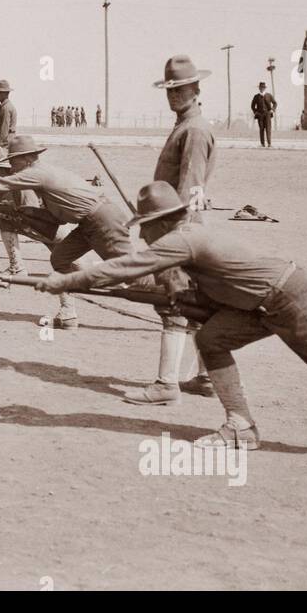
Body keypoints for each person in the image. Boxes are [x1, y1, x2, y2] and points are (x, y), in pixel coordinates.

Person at [36, 182, 307, 466]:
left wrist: (66, 279)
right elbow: (193, 289)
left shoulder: (181, 239)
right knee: (212, 337)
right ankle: (240, 428)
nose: (143, 236)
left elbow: (126, 268)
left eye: (144, 228)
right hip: (265, 303)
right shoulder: (189, 235)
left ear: (157, 223)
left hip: (290, 299)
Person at [0, 135, 130, 328]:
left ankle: (166, 293)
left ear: (27, 158)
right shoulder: (31, 174)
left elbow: (27, 208)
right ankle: (68, 312)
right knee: (60, 259)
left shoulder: (33, 176)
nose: (10, 166)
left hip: (99, 221)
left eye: (12, 161)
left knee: (131, 272)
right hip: (83, 223)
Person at [137, 54, 218, 404]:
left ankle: (166, 385)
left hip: (180, 228)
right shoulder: (185, 125)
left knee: (175, 302)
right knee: (197, 305)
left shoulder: (195, 130)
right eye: (170, 90)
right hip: (181, 226)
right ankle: (204, 378)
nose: (174, 96)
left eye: (181, 90)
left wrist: (175, 235)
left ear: (196, 89)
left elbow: (190, 189)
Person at [0, 79, 17, 149]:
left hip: (6, 142)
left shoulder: (6, 108)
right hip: (9, 139)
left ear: (5, 93)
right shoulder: (6, 106)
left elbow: (4, 129)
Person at [251, 82, 275, 147]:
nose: (262, 89)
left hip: (267, 115)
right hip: (260, 115)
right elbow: (252, 105)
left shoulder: (269, 95)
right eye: (261, 87)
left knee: (268, 129)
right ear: (259, 88)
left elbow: (275, 103)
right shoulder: (256, 96)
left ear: (265, 88)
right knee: (261, 129)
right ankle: (262, 144)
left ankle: (269, 143)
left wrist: (272, 110)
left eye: (263, 87)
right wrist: (255, 112)